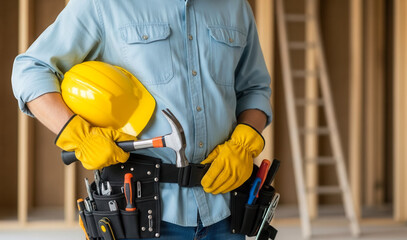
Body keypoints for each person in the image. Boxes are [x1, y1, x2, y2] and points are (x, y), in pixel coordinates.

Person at [12, 0, 272, 239]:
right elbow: (31, 69)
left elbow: (254, 89)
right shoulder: (103, 3)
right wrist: (80, 135)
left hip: (225, 210)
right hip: (139, 210)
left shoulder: (235, 6)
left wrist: (242, 143)